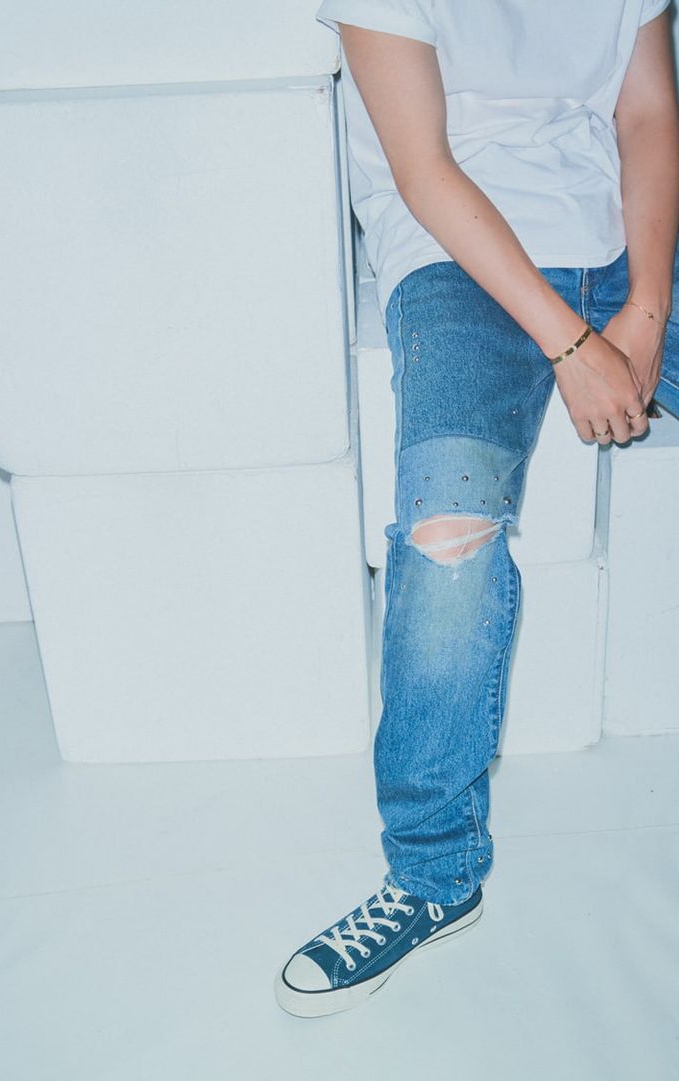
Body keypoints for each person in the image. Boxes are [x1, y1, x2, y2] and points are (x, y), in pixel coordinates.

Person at [274, 0, 679, 1018]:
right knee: (445, 533)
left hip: (622, 241)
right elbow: (424, 170)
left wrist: (643, 308)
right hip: (457, 258)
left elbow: (646, 115)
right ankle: (431, 875)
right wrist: (574, 345)